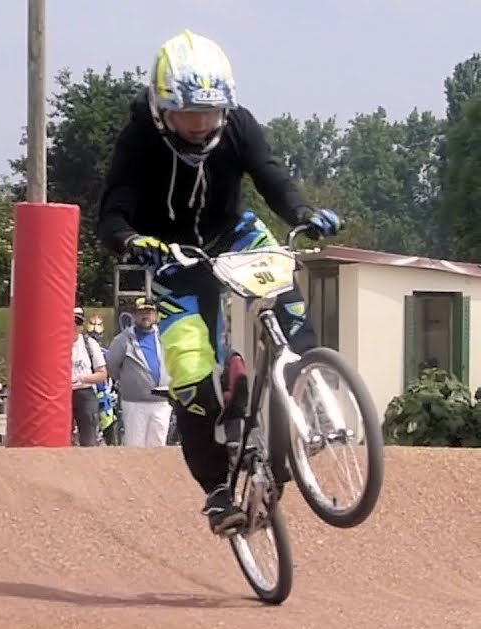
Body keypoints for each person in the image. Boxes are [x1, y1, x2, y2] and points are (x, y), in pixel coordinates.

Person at [97, 29, 342, 534]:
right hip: (173, 257)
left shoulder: (240, 127)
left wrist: (302, 212)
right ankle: (216, 488)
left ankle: (306, 398)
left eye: (209, 114)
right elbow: (113, 209)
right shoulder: (139, 137)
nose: (199, 126)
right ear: (163, 109)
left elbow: (271, 176)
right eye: (188, 115)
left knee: (288, 301)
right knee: (189, 371)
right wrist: (130, 241)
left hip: (234, 234)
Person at [106, 297, 173, 447]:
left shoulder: (165, 336)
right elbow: (112, 366)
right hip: (135, 402)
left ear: (155, 315)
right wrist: (130, 382)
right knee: (135, 447)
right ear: (134, 315)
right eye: (141, 312)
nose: (145, 316)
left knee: (159, 446)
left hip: (162, 402)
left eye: (149, 312)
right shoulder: (122, 340)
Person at [71, 307, 108, 446]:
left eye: (78, 323)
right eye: (71, 322)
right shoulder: (56, 343)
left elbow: (102, 374)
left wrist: (83, 378)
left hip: (84, 392)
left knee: (88, 436)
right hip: (62, 394)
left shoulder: (89, 344)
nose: (74, 326)